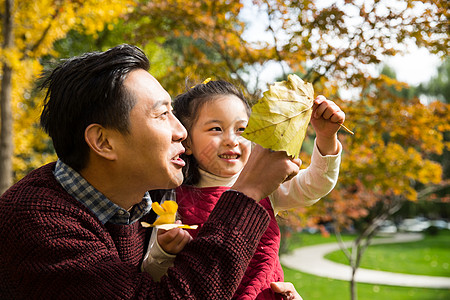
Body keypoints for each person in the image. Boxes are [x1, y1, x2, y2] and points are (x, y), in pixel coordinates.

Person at [0, 45, 302, 299]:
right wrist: (247, 194)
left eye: (174, 113)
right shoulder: (36, 224)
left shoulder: (149, 196)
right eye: (161, 115)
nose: (182, 131)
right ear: (104, 142)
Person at [142, 79, 344, 299]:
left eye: (242, 130)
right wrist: (164, 251)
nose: (232, 140)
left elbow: (315, 184)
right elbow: (152, 278)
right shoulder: (173, 200)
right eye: (216, 129)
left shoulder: (267, 187)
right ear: (187, 142)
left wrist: (326, 137)